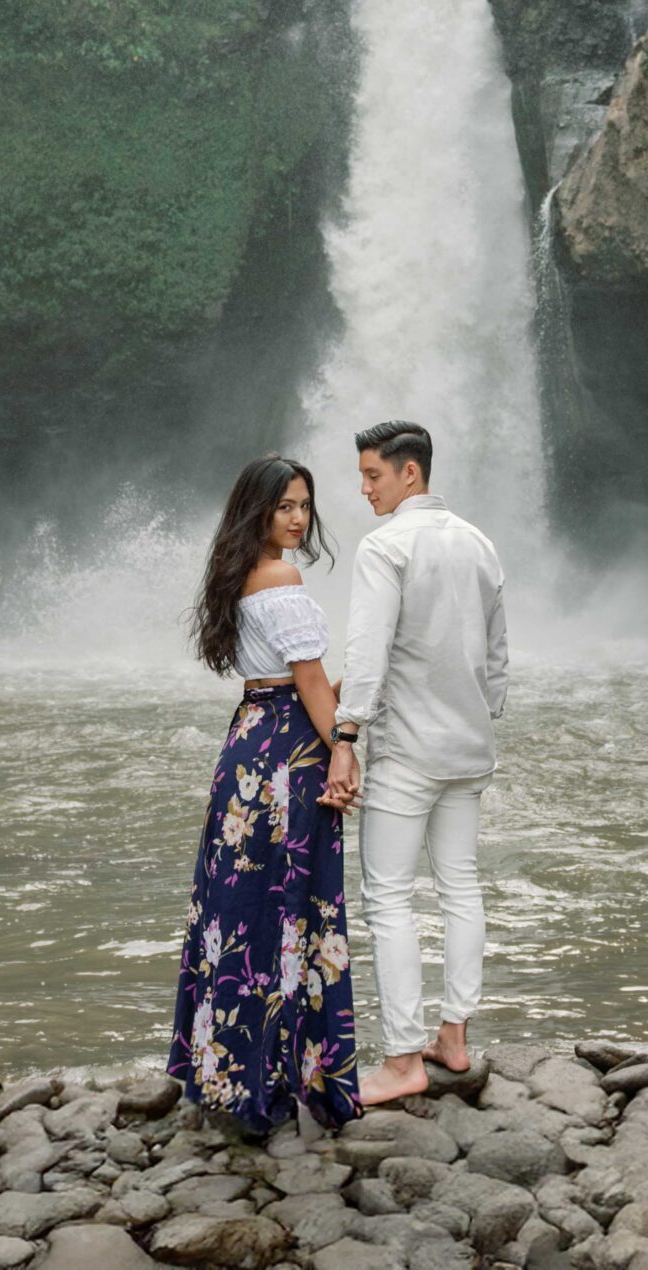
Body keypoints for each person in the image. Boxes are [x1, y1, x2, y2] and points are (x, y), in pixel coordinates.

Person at [166, 454, 363, 1132]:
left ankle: (229, 1078)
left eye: (305, 505)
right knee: (291, 908)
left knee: (238, 911)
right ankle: (281, 1083)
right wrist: (344, 747)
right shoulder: (281, 577)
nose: (299, 518)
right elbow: (307, 685)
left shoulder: (238, 572)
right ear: (258, 509)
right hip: (287, 756)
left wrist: (356, 689)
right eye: (285, 506)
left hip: (249, 742)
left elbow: (294, 681)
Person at [324, 421, 510, 1107]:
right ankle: (453, 1037)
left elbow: (369, 650)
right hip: (469, 747)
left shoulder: (385, 546)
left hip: (407, 750)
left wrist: (346, 733)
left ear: (410, 473)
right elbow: (498, 654)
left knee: (389, 896)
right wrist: (481, 712)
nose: (363, 488)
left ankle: (402, 1057)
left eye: (372, 475)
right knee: (460, 885)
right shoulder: (479, 542)